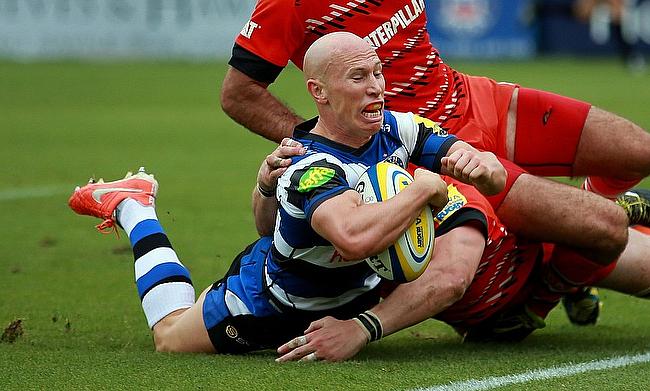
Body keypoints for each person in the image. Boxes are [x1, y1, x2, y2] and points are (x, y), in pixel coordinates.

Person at [67, 32, 506, 355]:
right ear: (319, 92)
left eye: (376, 73)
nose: (376, 87)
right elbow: (354, 239)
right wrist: (428, 185)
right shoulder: (310, 167)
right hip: (272, 301)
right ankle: (135, 205)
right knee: (170, 338)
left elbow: (484, 170)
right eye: (357, 78)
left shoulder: (398, 127)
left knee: (460, 222)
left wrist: (481, 168)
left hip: (352, 292)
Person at [220, 0, 650, 325]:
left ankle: (577, 265)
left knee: (638, 151)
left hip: (475, 101)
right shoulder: (290, 5)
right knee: (605, 227)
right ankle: (549, 293)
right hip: (423, 151)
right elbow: (239, 93)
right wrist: (323, 144)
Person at [272, 172, 650, 362]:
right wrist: (264, 187)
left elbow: (451, 279)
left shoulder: (432, 182)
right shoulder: (337, 228)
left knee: (608, 232)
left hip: (542, 252)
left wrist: (363, 328)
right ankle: (577, 267)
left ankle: (596, 210)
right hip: (499, 304)